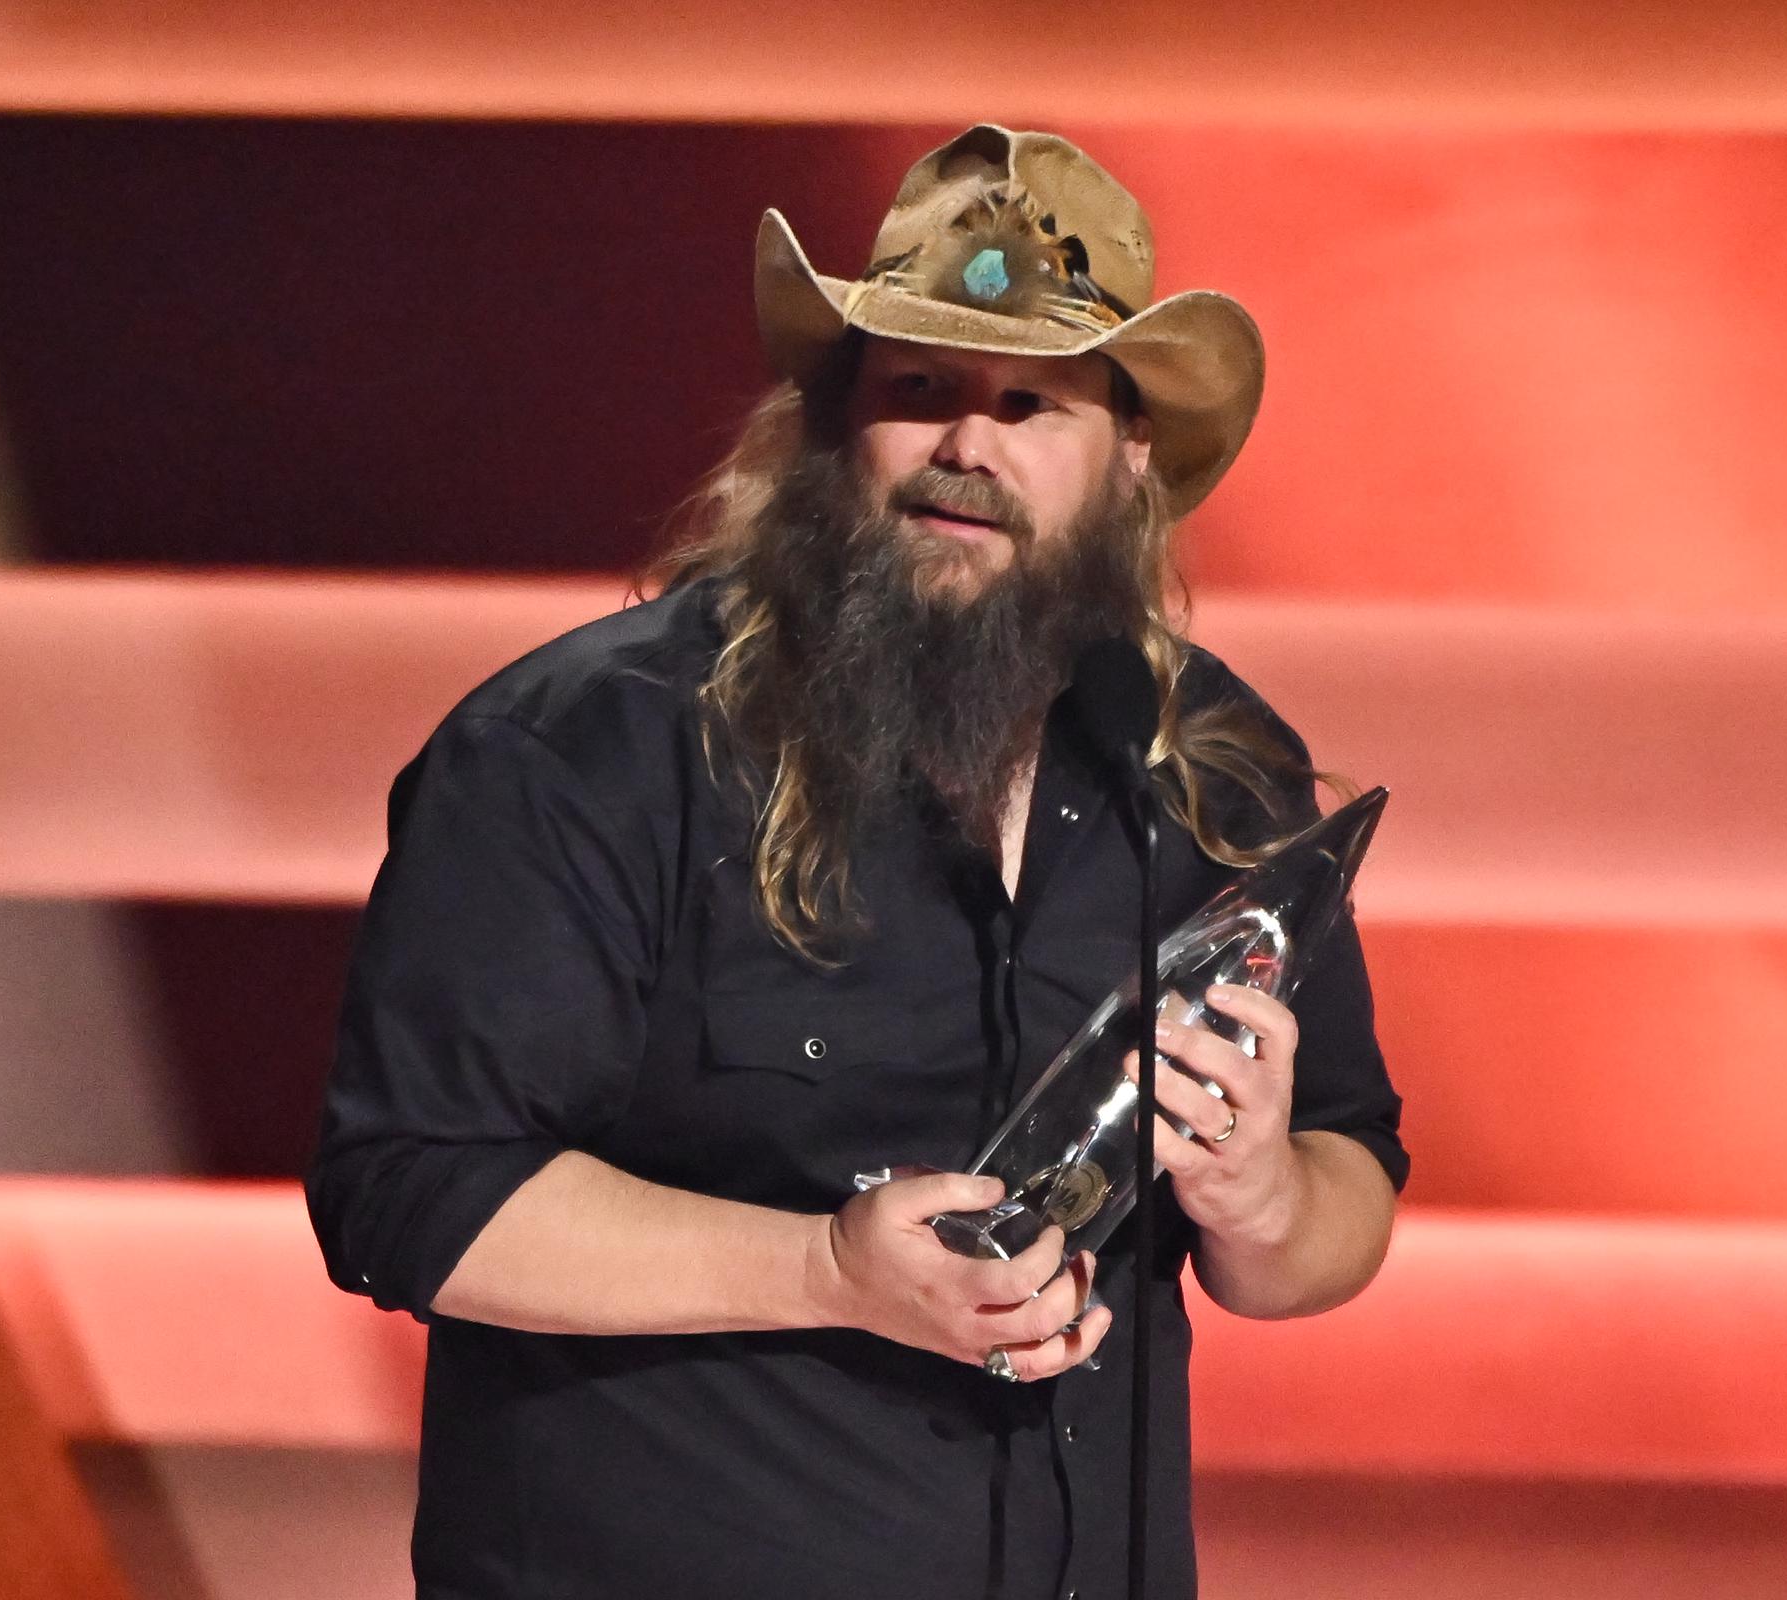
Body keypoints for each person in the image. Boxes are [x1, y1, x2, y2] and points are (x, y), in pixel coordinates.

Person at [306, 123, 1409, 1600]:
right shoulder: (586, 751)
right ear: (833, 419)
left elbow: (1345, 1185)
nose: (970, 445)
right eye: (923, 388)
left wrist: (1264, 1196)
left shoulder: (1208, 767)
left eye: (1033, 402)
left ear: (1126, 459)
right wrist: (821, 1271)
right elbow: (406, 1193)